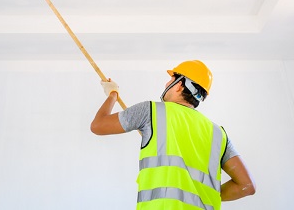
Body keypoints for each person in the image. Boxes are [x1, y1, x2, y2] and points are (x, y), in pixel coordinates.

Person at [90, 60, 255, 209]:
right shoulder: (219, 134)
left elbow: (98, 125)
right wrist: (199, 195)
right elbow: (246, 185)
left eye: (171, 79)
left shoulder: (151, 112)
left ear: (179, 85)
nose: (166, 82)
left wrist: (113, 94)